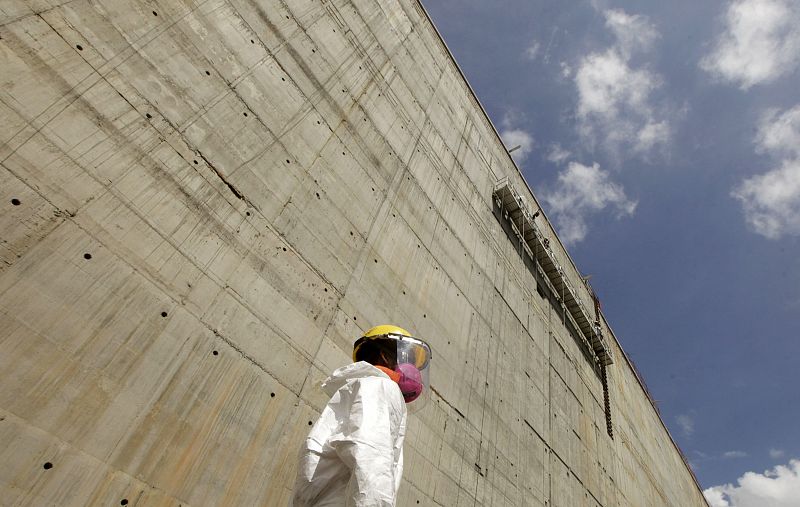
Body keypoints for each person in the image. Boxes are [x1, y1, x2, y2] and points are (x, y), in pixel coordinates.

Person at [291, 325, 432, 506]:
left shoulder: (355, 389)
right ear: (384, 356)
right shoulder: (381, 387)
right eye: (408, 360)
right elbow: (370, 457)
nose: (412, 369)